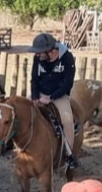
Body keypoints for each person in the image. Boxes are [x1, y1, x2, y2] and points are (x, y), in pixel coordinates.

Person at [29, 33, 78, 169]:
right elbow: (34, 79)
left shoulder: (67, 58)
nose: (37, 56)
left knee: (67, 120)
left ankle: (69, 155)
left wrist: (50, 98)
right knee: (22, 112)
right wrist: (34, 97)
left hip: (59, 95)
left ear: (50, 50)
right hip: (40, 94)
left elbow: (67, 83)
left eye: (39, 53)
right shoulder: (38, 58)